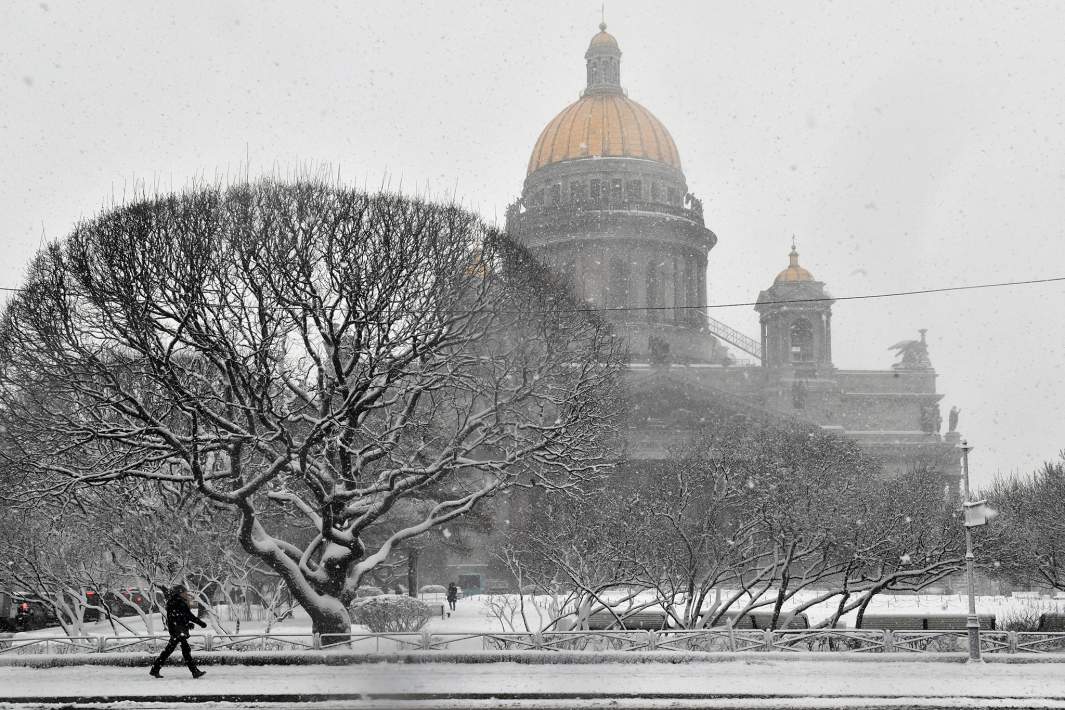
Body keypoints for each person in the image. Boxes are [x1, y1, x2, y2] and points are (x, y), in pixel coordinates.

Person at [149, 584, 207, 679]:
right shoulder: (178, 602)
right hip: (178, 631)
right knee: (185, 651)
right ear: (180, 593)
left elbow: (181, 616)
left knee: (169, 650)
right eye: (185, 592)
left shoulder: (175, 601)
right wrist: (200, 623)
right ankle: (194, 672)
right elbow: (186, 616)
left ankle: (155, 669)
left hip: (177, 630)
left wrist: (188, 624)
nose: (186, 594)